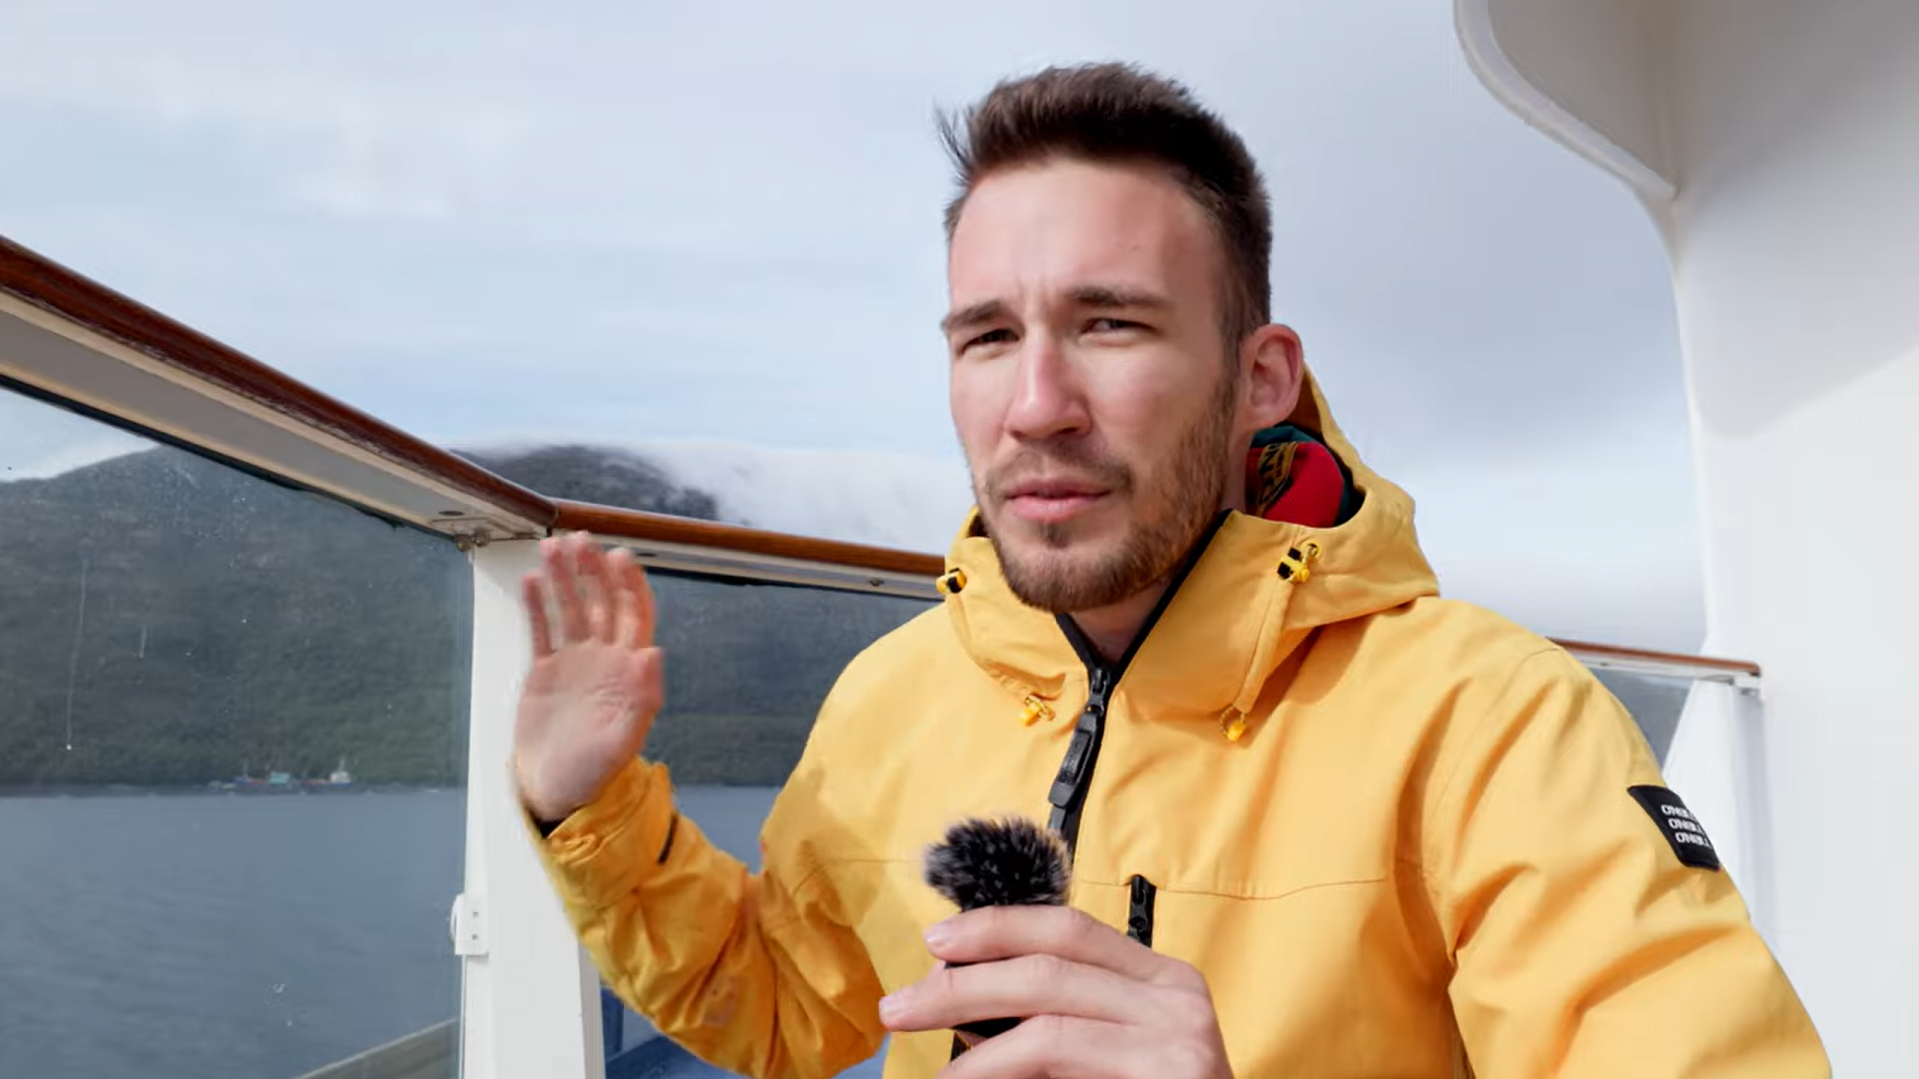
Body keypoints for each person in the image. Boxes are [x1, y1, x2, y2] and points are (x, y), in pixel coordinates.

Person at [511, 63, 1827, 1078]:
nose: (1035, 403)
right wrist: (593, 812)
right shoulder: (888, 695)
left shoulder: (1491, 722)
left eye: (1109, 323)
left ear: (1261, 379)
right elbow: (791, 1008)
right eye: (985, 336)